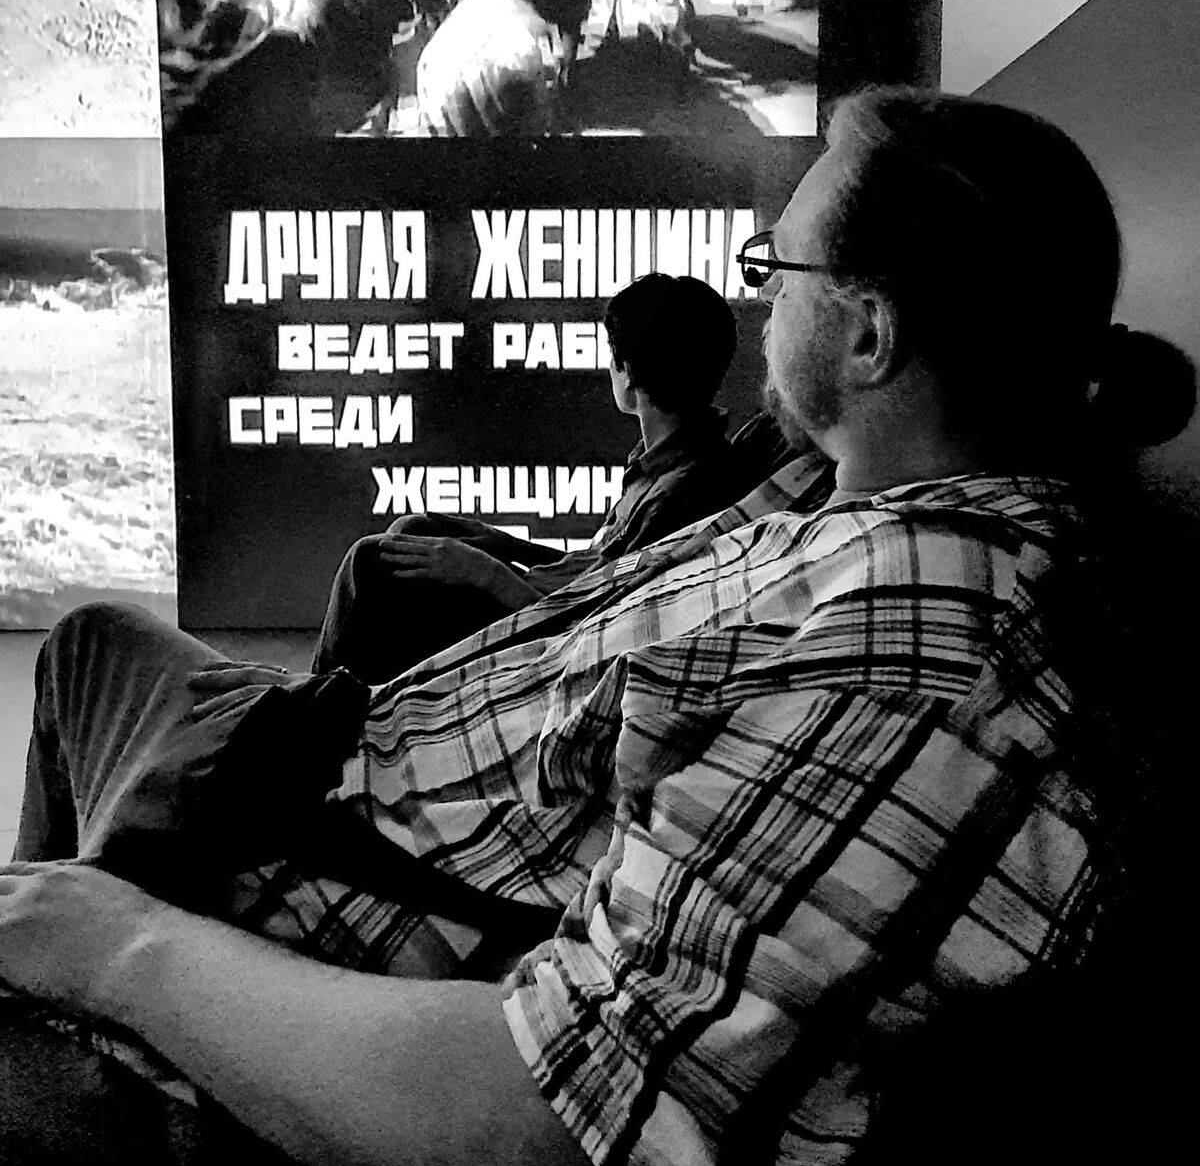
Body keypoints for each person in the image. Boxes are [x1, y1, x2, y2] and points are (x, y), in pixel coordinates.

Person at [0, 86, 1186, 1165]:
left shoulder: (926, 660)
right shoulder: (862, 481)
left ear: (869, 337)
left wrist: (120, 948)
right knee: (96, 642)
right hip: (326, 763)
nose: (761, 297)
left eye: (777, 268)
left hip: (317, 911)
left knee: (46, 927)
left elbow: (556, 1106)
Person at [311, 271, 744, 681]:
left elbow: (594, 625)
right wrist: (508, 545)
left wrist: (485, 571)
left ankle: (316, 704)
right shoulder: (669, 457)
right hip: (546, 595)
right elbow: (601, 567)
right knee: (413, 531)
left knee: (370, 563)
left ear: (628, 372)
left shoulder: (678, 492)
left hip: (538, 625)